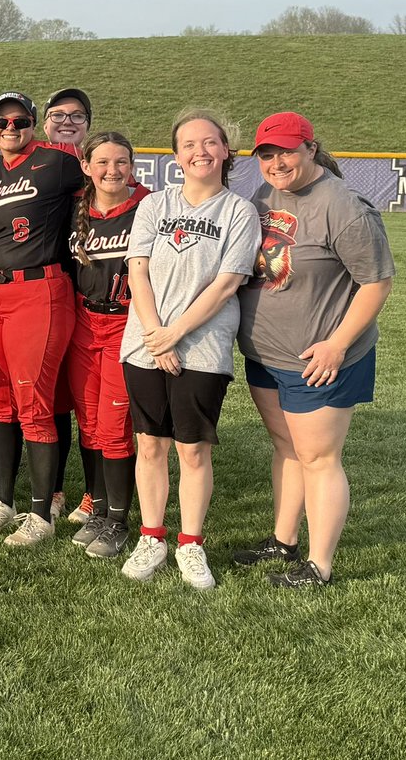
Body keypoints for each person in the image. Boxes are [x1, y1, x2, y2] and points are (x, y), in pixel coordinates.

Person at [234, 112, 394, 587]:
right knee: (287, 448)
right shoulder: (265, 194)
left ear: (311, 148)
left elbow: (376, 283)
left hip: (320, 357)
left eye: (286, 150)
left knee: (319, 458)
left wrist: (337, 345)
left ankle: (318, 566)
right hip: (267, 352)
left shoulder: (344, 206)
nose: (276, 162)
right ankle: (283, 541)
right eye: (266, 154)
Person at [119, 109, 261, 590]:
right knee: (150, 444)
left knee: (194, 450)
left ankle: (191, 543)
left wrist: (174, 333)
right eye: (189, 144)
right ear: (176, 155)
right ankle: (152, 536)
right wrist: (155, 333)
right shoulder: (154, 204)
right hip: (145, 343)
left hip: (200, 347)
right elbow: (137, 270)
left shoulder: (238, 211)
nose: (200, 152)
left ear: (225, 150)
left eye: (209, 143)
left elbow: (226, 285)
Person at [0, 91, 82, 546]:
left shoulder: (57, 162)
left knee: (33, 405)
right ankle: (2, 500)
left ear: (34, 123)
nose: (10, 128)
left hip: (40, 289)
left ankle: (42, 512)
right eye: (1, 121)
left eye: (20, 121)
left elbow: (107, 194)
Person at [67, 132, 150, 559]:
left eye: (121, 162)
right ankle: (98, 509)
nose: (112, 171)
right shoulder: (76, 210)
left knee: (115, 428)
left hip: (125, 324)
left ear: (132, 166)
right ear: (86, 166)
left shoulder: (148, 206)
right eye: (102, 162)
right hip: (84, 323)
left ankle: (118, 520)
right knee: (89, 423)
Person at [40, 87, 98, 524]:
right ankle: (55, 488)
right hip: (45, 297)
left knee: (92, 402)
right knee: (57, 399)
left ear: (89, 125)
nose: (67, 120)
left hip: (93, 300)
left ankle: (96, 492)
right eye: (58, 114)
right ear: (44, 122)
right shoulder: (30, 167)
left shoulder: (103, 172)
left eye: (77, 115)